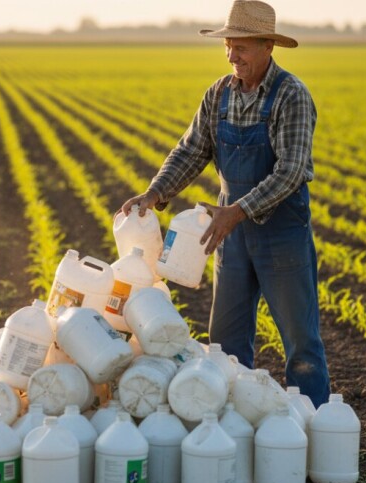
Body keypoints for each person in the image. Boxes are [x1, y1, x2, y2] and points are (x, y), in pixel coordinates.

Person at [119, 0, 330, 407]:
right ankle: (235, 426)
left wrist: (238, 211)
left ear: (269, 45)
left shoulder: (292, 96)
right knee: (225, 342)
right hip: (227, 233)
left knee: (301, 343)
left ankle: (314, 426)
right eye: (228, 45)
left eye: (243, 47)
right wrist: (156, 192)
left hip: (281, 234)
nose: (233, 55)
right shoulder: (218, 94)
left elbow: (291, 171)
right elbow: (191, 151)